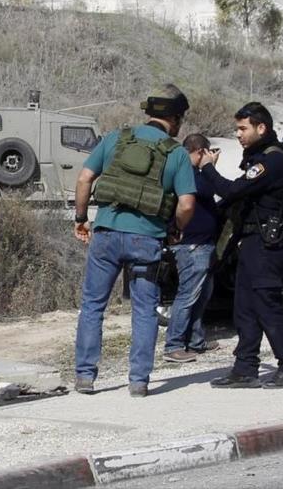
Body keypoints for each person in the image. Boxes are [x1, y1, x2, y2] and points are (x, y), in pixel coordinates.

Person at [198, 102, 283, 389]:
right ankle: (245, 368)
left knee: (266, 304)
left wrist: (208, 169)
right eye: (237, 128)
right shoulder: (270, 157)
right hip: (253, 241)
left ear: (262, 128)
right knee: (244, 306)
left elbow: (233, 190)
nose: (238, 134)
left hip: (268, 243)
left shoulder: (270, 161)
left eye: (243, 128)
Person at [73, 84, 196, 397]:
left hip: (107, 234)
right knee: (144, 310)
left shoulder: (116, 138)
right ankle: (138, 381)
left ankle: (85, 376)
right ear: (176, 118)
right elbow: (186, 204)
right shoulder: (177, 153)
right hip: (147, 240)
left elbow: (85, 177)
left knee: (92, 306)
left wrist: (80, 218)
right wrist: (176, 229)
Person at [162, 133, 222, 363]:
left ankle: (196, 340)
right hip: (191, 246)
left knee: (202, 295)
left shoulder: (194, 173)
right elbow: (207, 191)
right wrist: (210, 168)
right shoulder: (186, 172)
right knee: (188, 296)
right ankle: (174, 345)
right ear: (200, 152)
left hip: (202, 244)